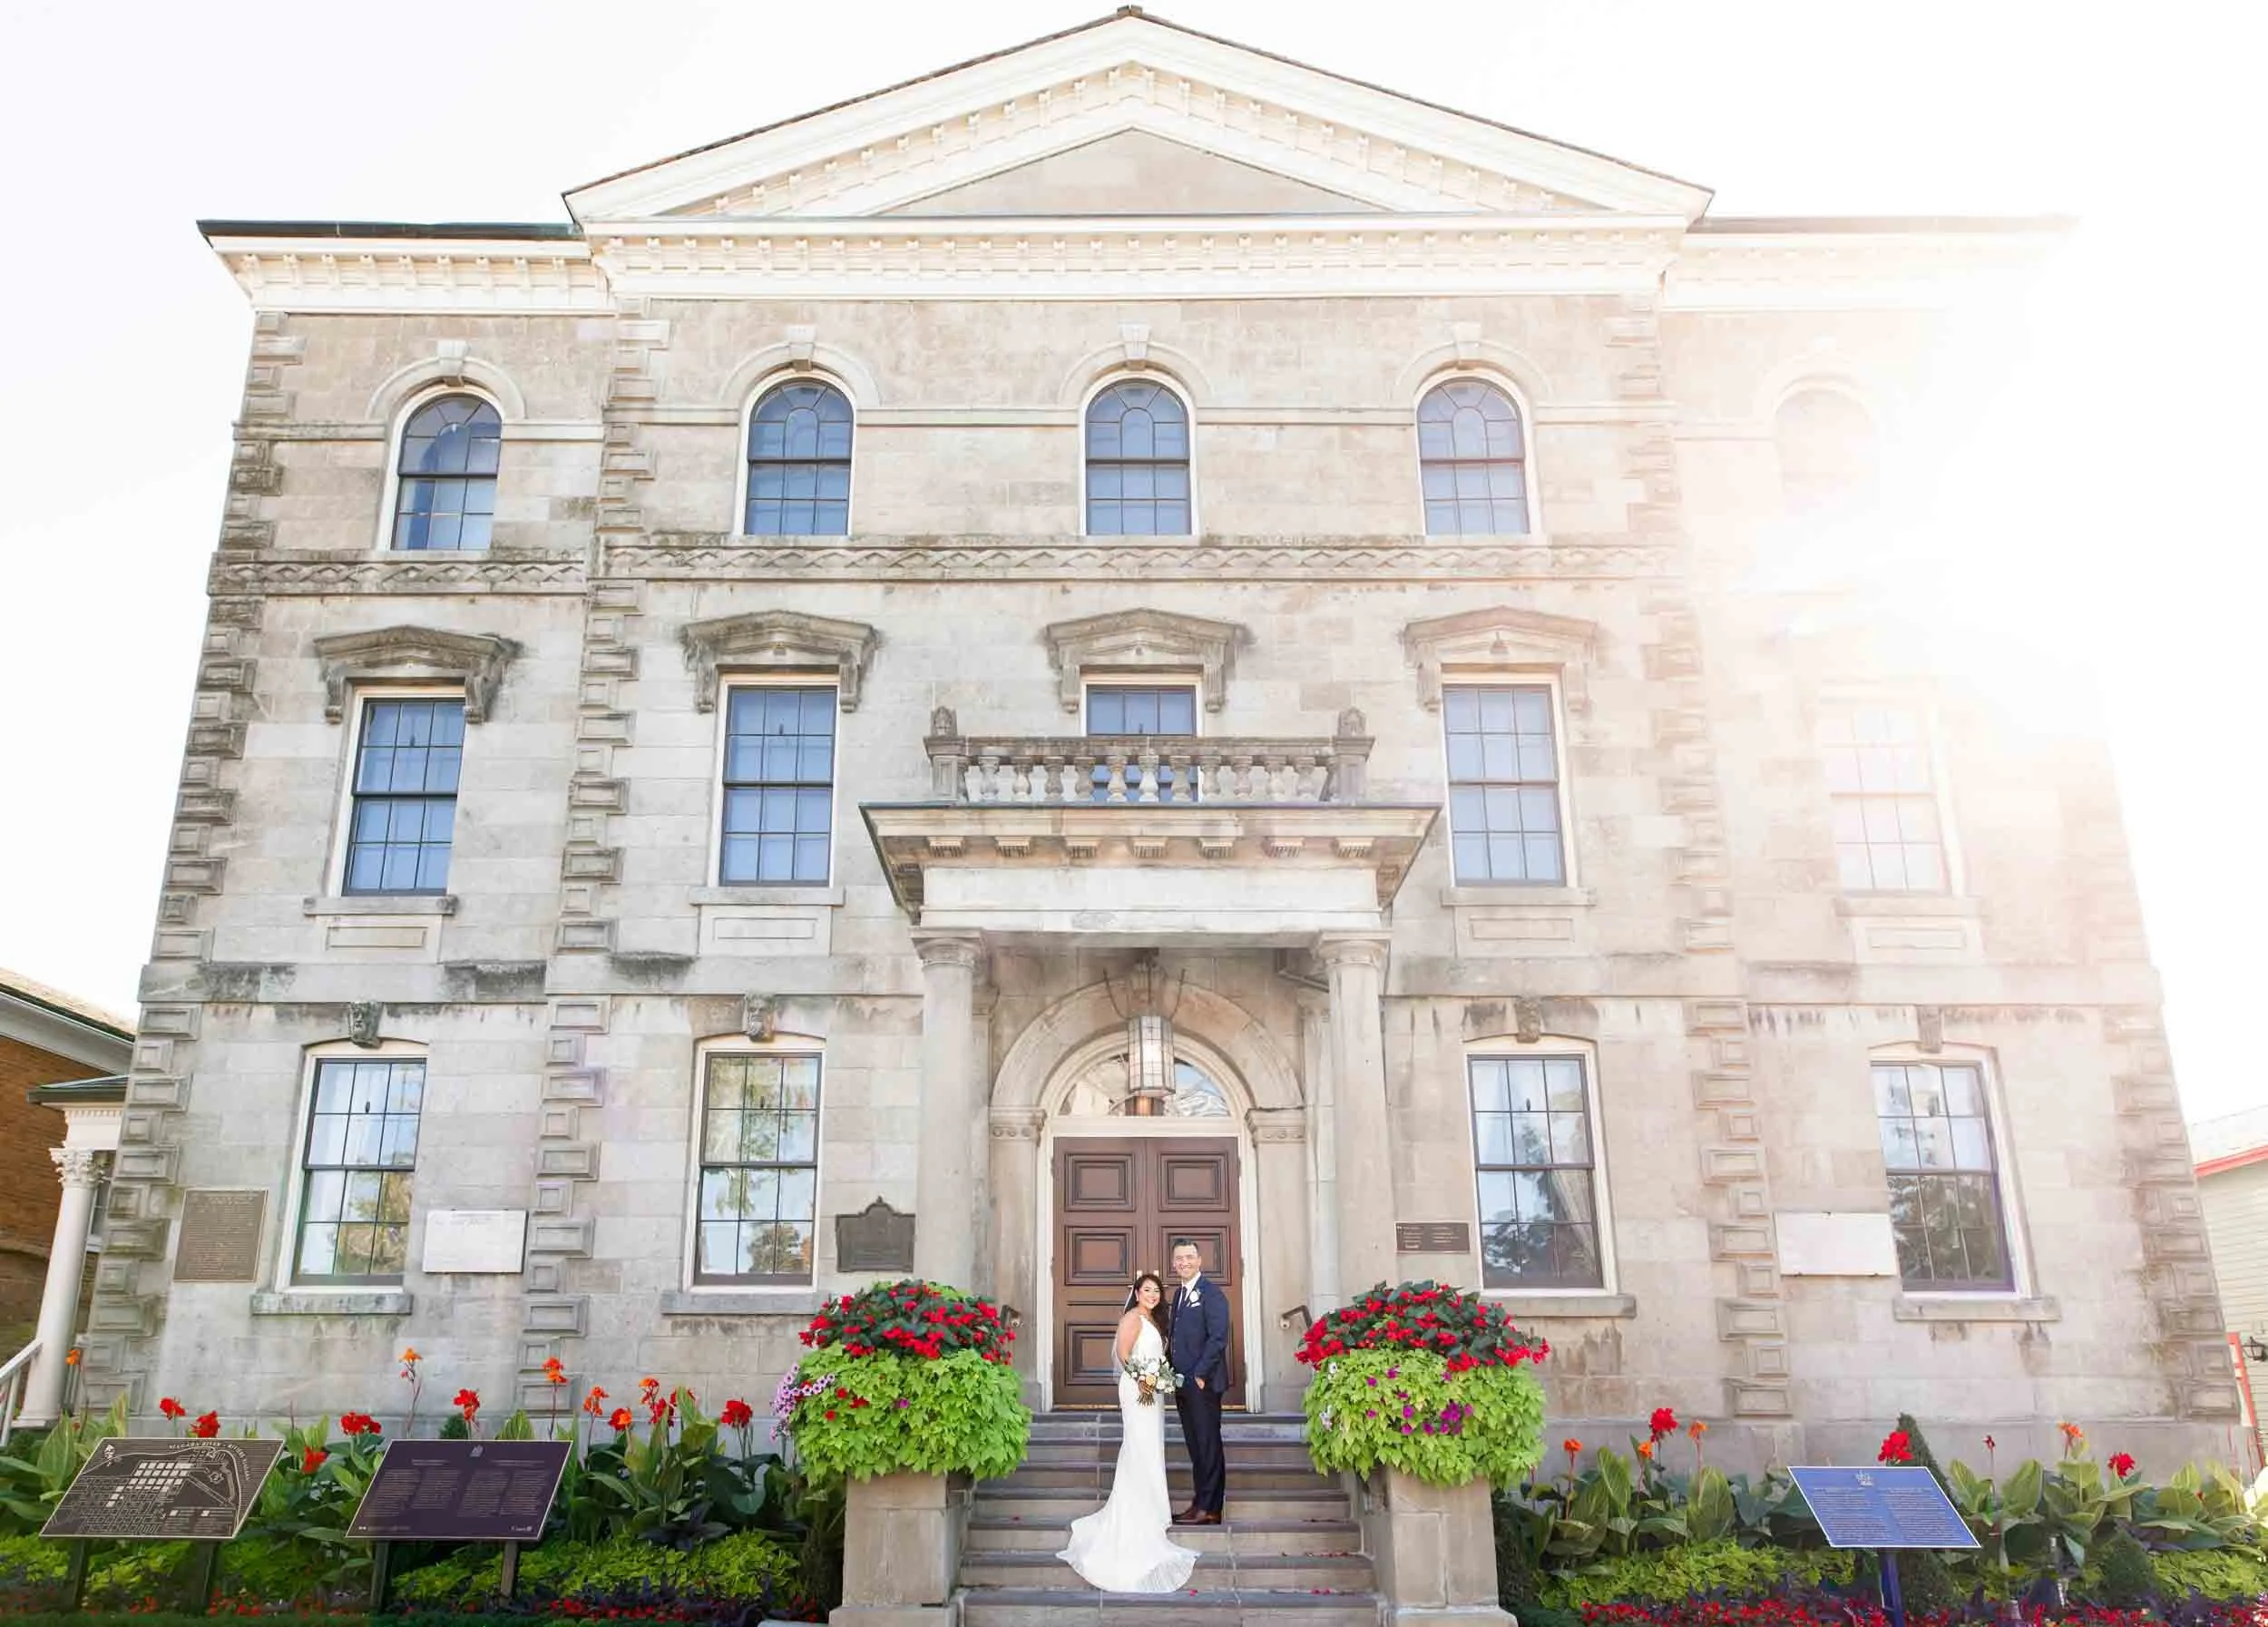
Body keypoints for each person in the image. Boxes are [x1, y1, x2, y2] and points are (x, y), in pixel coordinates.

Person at [1056, 1272, 1199, 1593]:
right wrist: (1143, 1380)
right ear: (1136, 1293)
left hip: (1153, 1391)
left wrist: (1160, 1379)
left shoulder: (1156, 1320)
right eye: (1146, 1290)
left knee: (1150, 1448)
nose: (1152, 1294)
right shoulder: (1132, 1318)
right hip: (1137, 1390)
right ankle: (1136, 1512)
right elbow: (1124, 1355)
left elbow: (1158, 1358)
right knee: (1139, 1446)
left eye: (1156, 1290)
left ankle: (1152, 1506)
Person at [1166, 1239, 1229, 1525]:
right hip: (1182, 1385)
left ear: (1199, 1260)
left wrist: (1200, 1375)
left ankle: (1211, 1508)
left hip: (1202, 1384)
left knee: (1208, 1445)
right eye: (1179, 1259)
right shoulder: (1179, 1294)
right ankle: (1198, 1503)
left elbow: (1218, 1339)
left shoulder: (1211, 1294)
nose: (1184, 1263)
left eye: (1189, 1257)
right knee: (1195, 1445)